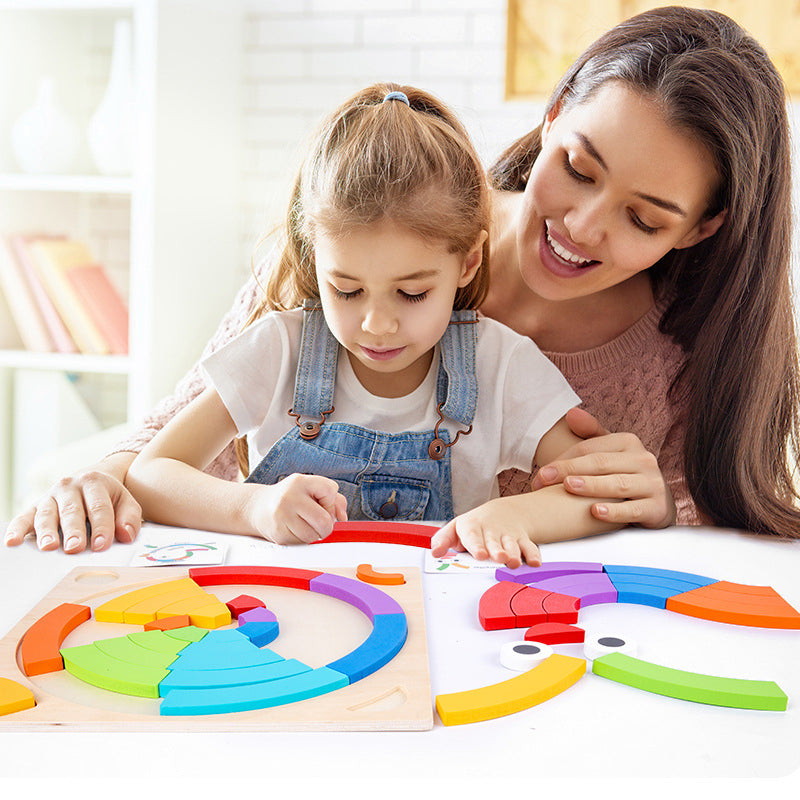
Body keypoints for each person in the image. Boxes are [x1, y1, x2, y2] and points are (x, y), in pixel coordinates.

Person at [6, 6, 798, 554]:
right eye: (578, 168)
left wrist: (654, 509)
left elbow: (709, 548)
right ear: (554, 115)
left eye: (644, 219)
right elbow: (176, 445)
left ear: (702, 228)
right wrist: (103, 484)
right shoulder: (374, 223)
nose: (585, 226)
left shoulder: (678, 354)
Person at [121, 84, 619, 569]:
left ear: (467, 263)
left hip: (437, 618)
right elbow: (151, 474)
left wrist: (515, 513)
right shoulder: (281, 350)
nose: (376, 325)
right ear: (315, 261)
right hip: (285, 606)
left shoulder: (499, 365)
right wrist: (252, 507)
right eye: (347, 290)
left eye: (412, 293)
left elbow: (594, 495)